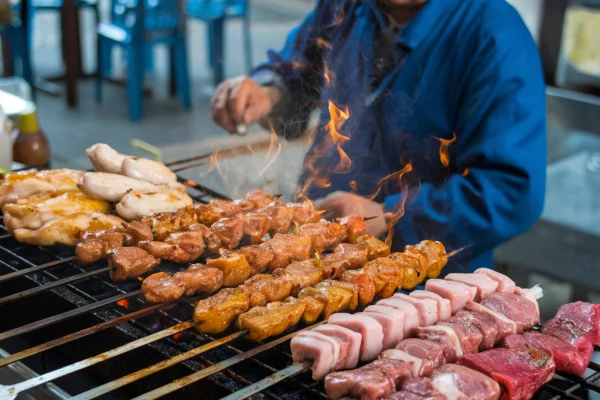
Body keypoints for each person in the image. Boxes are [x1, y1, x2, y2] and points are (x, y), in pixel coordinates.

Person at [211, 0, 546, 273]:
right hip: (311, 251)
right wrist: (268, 93)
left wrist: (389, 217)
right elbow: (299, 75)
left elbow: (509, 192)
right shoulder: (344, 6)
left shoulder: (493, 34)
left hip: (419, 282)